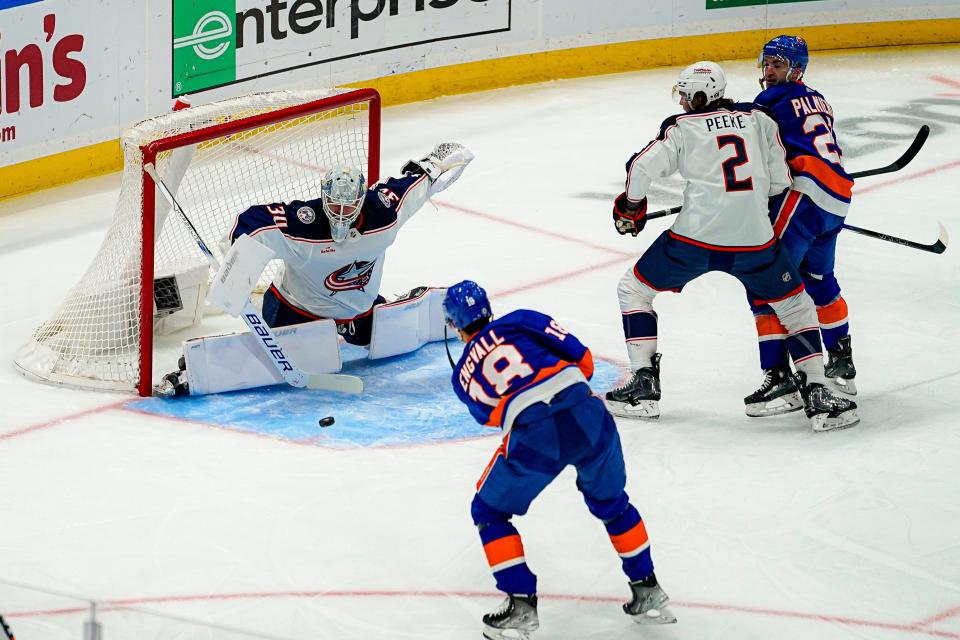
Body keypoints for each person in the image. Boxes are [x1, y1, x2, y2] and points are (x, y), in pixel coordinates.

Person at [604, 60, 859, 432]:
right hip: (755, 241)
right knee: (797, 304)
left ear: (698, 96)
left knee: (634, 290)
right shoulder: (759, 119)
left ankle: (644, 387)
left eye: (685, 96)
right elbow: (778, 181)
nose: (682, 103)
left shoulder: (681, 127)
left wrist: (631, 206)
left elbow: (641, 168)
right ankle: (818, 393)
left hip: (693, 240)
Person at [442, 280, 676, 639]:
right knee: (612, 504)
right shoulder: (521, 319)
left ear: (456, 325)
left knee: (487, 511)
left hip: (537, 435)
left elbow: (491, 417)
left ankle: (521, 605)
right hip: (589, 416)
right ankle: (648, 590)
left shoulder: (462, 376)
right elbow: (583, 360)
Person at [157, 143, 473, 396]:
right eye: (334, 205)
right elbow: (250, 222)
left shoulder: (384, 216)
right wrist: (235, 265)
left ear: (362, 201)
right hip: (296, 310)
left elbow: (415, 183)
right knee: (272, 362)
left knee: (394, 339)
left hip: (356, 312)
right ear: (323, 198)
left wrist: (438, 160)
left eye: (349, 207)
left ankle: (430, 308)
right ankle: (190, 372)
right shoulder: (303, 223)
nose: (341, 214)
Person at [744, 35, 857, 417]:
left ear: (796, 69)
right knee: (819, 281)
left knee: (765, 277)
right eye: (767, 64)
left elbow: (753, 149)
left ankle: (782, 377)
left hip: (805, 194)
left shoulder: (769, 101)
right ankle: (841, 358)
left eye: (778, 64)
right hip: (837, 197)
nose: (769, 71)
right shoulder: (819, 98)